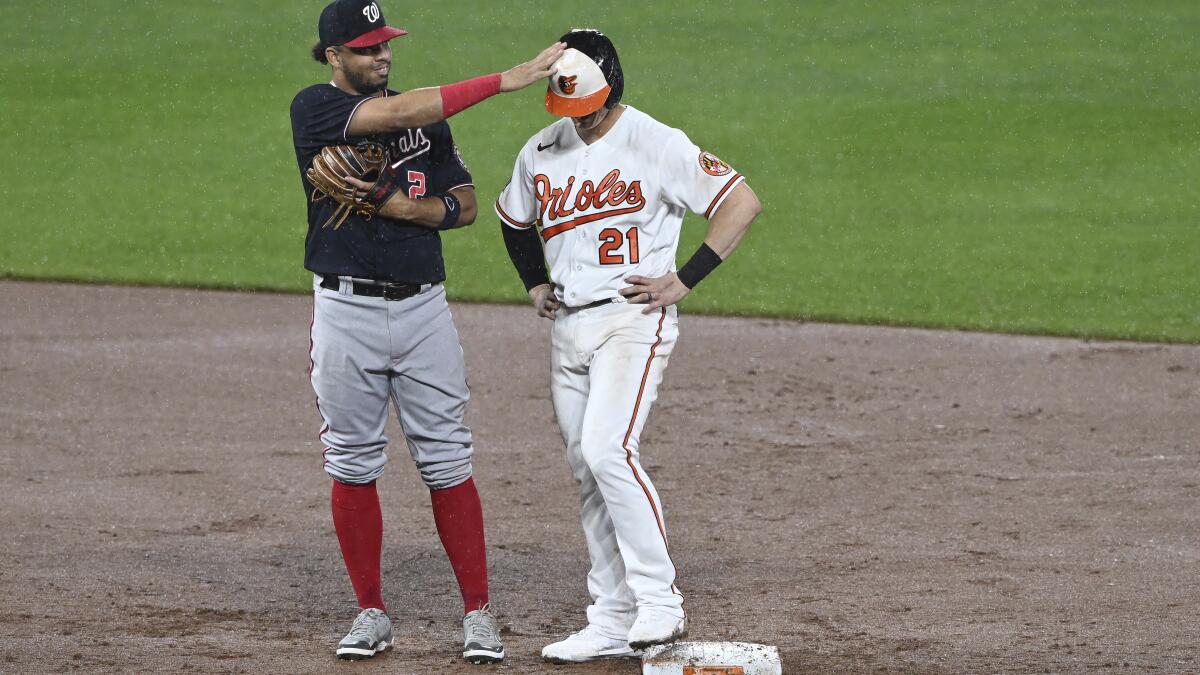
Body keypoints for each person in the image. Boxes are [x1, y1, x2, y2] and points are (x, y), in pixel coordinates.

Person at [288, 0, 563, 664]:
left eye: (385, 45)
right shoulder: (313, 109)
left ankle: (478, 615)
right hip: (345, 312)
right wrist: (509, 77)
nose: (382, 55)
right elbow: (403, 113)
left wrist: (403, 206)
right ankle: (370, 612)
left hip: (423, 311)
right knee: (352, 461)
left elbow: (465, 203)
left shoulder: (427, 123)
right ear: (334, 56)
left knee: (448, 461)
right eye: (365, 47)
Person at [495, 29, 763, 664]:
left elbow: (741, 203)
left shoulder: (656, 141)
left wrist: (685, 278)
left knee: (609, 448)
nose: (579, 119)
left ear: (611, 89)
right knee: (588, 473)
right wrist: (534, 281)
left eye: (588, 106)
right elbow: (514, 219)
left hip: (631, 321)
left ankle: (660, 601)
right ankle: (611, 616)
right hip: (568, 330)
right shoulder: (539, 149)